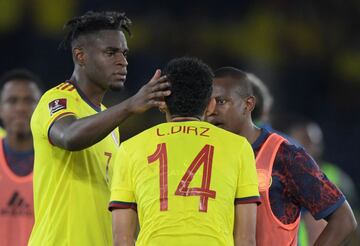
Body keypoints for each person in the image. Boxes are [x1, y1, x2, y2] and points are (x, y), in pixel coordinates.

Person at [29, 11, 170, 246]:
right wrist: (130, 106)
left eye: (124, 53)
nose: (123, 61)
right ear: (81, 56)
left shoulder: (109, 125)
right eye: (110, 52)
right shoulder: (56, 100)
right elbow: (69, 136)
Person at [109, 57, 260, 246]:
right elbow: (246, 239)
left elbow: (122, 238)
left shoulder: (130, 149)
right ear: (211, 105)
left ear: (162, 102)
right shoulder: (238, 147)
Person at [206, 67, 357, 246]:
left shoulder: (285, 156)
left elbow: (344, 220)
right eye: (207, 104)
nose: (211, 111)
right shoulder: (208, 153)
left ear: (248, 105)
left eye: (221, 101)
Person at [286, 118, 360, 245]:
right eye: (299, 141)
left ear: (319, 146)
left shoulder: (338, 177)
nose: (304, 147)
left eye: (310, 142)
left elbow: (354, 220)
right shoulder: (283, 178)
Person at [0, 69, 42, 245]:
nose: (21, 108)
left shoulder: (58, 163)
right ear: (1, 109)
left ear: (41, 109)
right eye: (12, 101)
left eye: (29, 101)